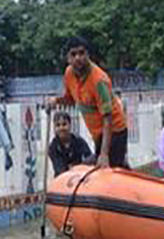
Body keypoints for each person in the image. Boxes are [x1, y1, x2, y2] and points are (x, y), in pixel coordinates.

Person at [49, 37, 128, 169]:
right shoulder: (69, 74)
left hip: (114, 131)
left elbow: (107, 118)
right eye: (73, 54)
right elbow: (70, 99)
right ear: (68, 58)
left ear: (88, 55)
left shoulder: (99, 81)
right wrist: (56, 101)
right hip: (98, 134)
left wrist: (104, 154)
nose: (78, 58)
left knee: (108, 170)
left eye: (81, 53)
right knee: (104, 166)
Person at [48, 111, 92, 177]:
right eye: (58, 125)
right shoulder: (53, 147)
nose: (61, 128)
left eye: (64, 124)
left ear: (70, 125)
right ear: (54, 128)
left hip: (79, 177)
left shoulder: (79, 141)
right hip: (62, 180)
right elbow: (60, 169)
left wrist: (81, 166)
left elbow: (90, 158)